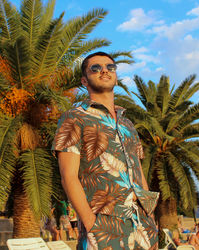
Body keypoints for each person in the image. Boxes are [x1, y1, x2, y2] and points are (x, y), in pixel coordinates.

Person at [52, 51, 160, 249]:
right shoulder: (74, 117)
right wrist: (91, 224)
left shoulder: (127, 124)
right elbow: (69, 177)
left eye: (110, 67)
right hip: (104, 226)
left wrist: (150, 214)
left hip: (143, 225)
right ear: (84, 80)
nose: (104, 71)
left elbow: (138, 172)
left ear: (116, 77)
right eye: (96, 68)